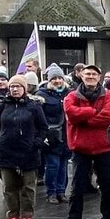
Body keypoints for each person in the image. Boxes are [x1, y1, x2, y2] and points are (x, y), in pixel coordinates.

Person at [59, 63, 110, 219]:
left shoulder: (109, 96)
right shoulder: (71, 96)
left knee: (108, 187)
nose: (91, 77)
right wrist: (93, 111)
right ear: (81, 76)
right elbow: (71, 114)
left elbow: (107, 117)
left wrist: (84, 117)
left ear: (99, 77)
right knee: (77, 188)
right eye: (87, 74)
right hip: (80, 148)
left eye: (94, 74)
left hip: (104, 148)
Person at [0, 75, 46, 219]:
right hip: (6, 153)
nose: (15, 89)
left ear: (25, 89)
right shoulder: (2, 107)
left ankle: (27, 215)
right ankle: (13, 215)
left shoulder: (34, 107)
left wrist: (36, 143)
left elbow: (43, 128)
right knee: (9, 186)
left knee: (28, 186)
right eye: (12, 87)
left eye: (18, 87)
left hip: (29, 153)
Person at [39, 66, 70, 202]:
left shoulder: (70, 93)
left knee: (63, 165)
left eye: (59, 78)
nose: (57, 81)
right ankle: (51, 192)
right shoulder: (42, 95)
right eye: (54, 78)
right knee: (53, 165)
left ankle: (61, 191)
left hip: (67, 134)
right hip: (51, 136)